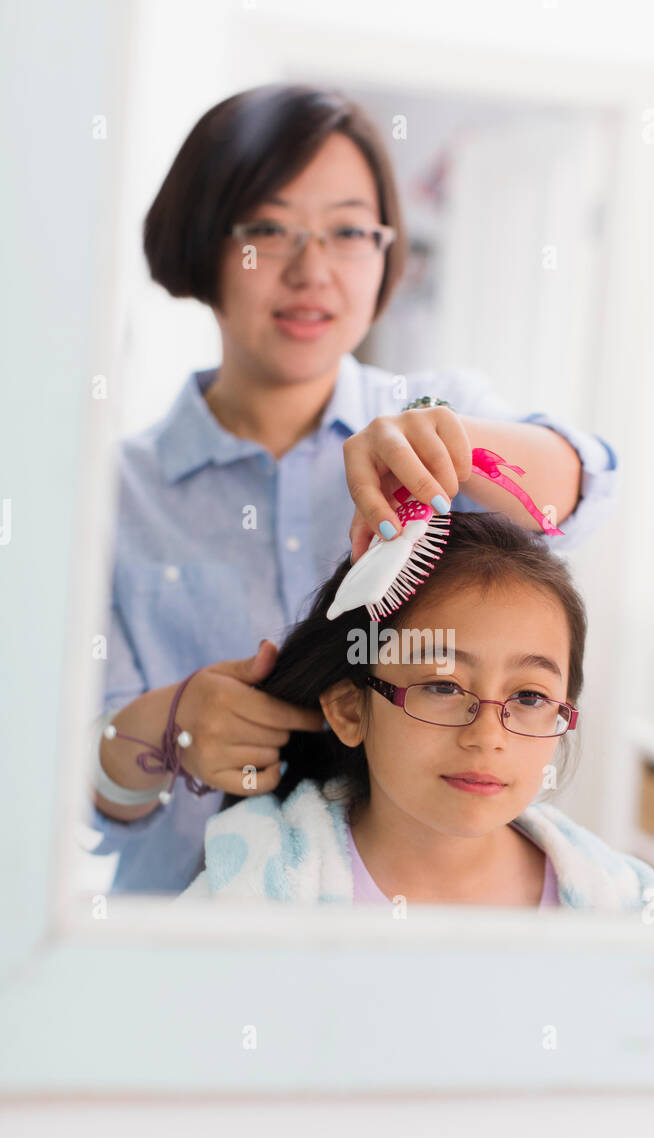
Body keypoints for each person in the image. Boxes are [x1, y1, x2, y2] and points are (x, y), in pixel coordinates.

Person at [87, 83, 619, 895]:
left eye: (347, 231)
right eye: (268, 229)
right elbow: (92, 791)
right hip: (188, 937)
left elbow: (581, 490)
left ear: (386, 251)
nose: (312, 271)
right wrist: (171, 729)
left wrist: (458, 442)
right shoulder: (112, 496)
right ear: (201, 241)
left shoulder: (446, 413)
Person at [178, 513, 654, 912]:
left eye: (529, 698)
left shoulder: (620, 907)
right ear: (350, 710)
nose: (487, 736)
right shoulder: (250, 892)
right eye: (442, 685)